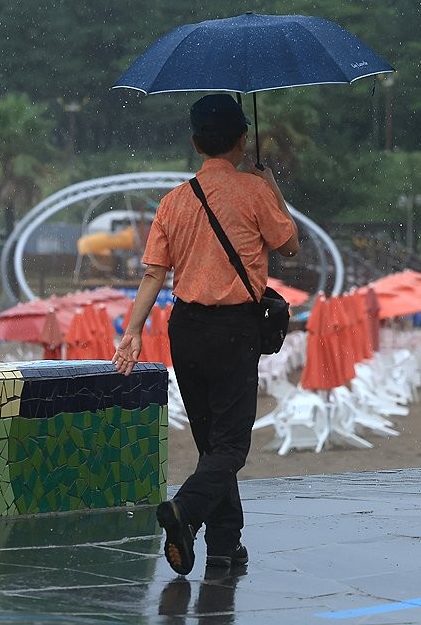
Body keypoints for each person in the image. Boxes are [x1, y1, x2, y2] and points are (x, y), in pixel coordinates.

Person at [112, 93, 299, 576]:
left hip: (186, 329)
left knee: (212, 444)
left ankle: (223, 544)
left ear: (196, 142)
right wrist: (270, 185)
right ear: (242, 140)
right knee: (231, 446)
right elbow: (291, 245)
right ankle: (184, 512)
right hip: (234, 330)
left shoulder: (173, 201)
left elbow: (154, 273)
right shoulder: (254, 193)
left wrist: (132, 332)